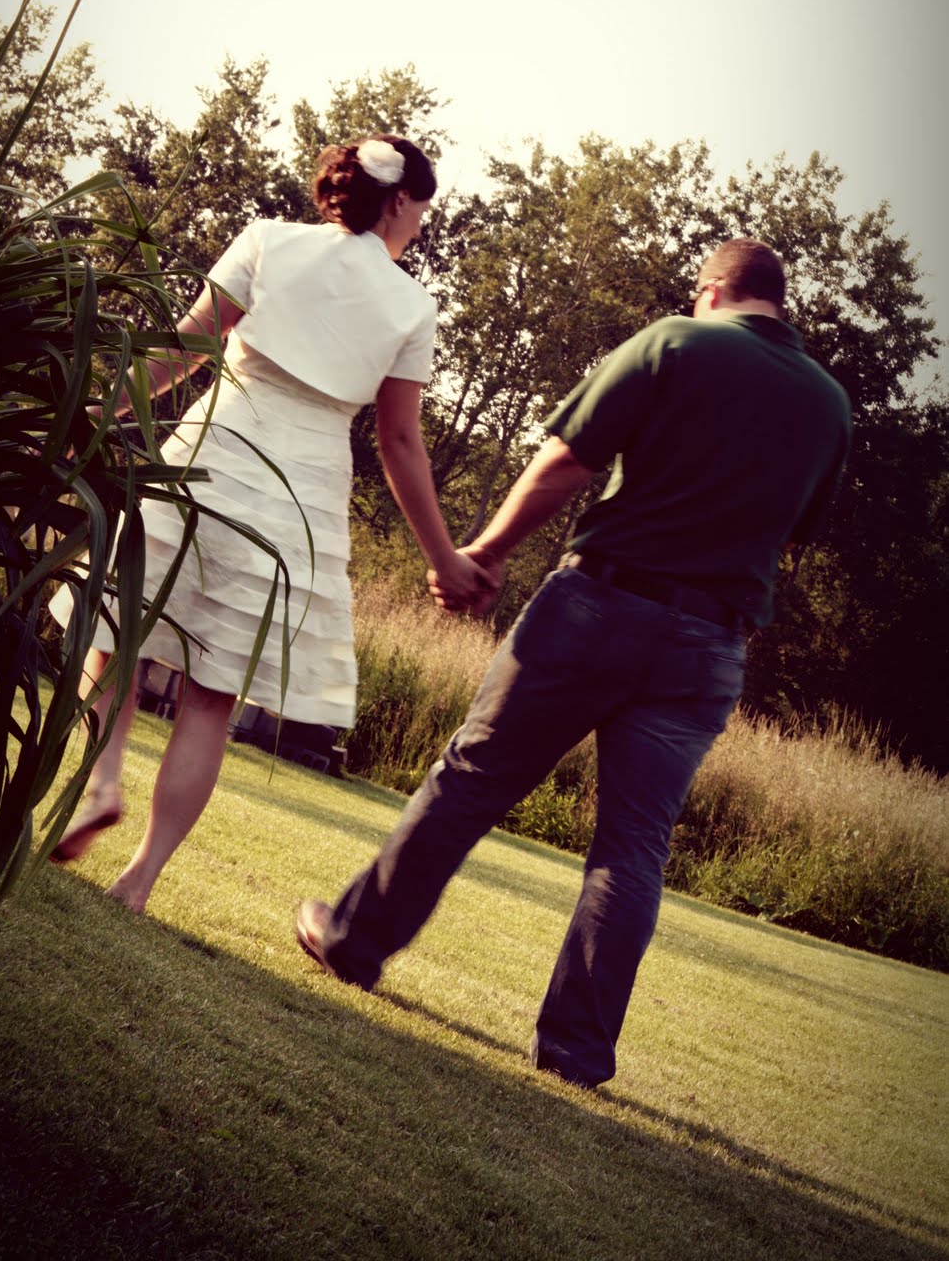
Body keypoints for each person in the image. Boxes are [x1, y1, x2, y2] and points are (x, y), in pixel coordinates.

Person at [296, 238, 852, 1090]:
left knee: (471, 780)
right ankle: (575, 1053)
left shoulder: (676, 340)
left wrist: (484, 552)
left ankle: (352, 941)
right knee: (633, 847)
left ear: (711, 290)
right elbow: (790, 531)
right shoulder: (828, 405)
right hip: (710, 646)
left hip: (599, 608)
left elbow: (568, 460)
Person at [49, 135, 489, 911]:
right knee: (212, 695)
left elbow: (185, 348)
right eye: (421, 210)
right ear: (398, 201)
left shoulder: (269, 241)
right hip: (299, 499)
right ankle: (140, 880)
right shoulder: (411, 307)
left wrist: (97, 411)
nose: (420, 225)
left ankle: (102, 782)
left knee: (116, 630)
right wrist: (442, 556)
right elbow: (399, 442)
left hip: (210, 456)